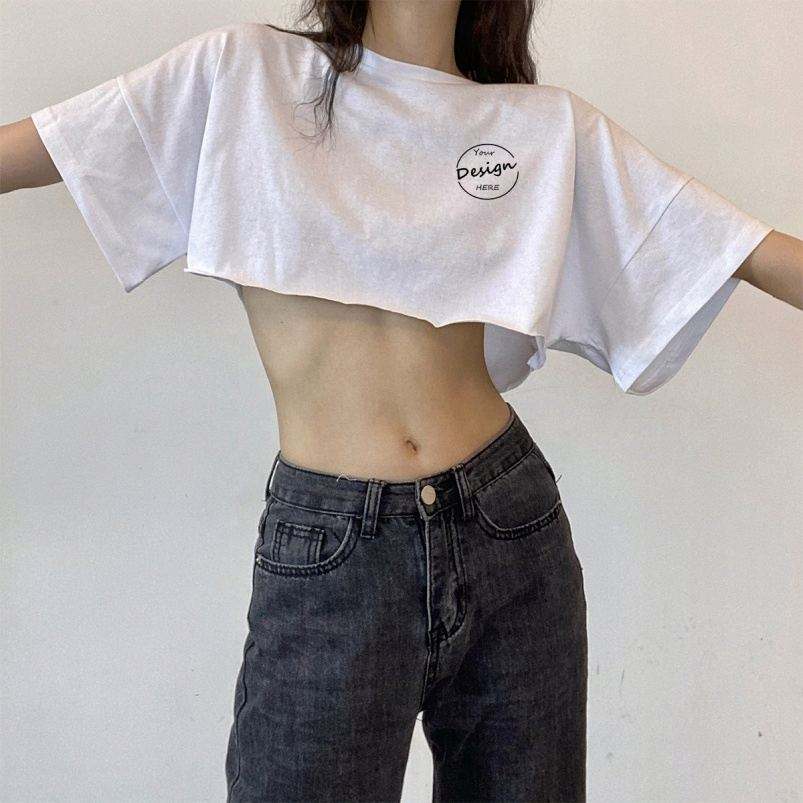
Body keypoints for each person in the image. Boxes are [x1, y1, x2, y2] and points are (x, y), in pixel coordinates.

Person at [2, 1, 800, 801]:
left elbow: (744, 249)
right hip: (332, 548)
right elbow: (52, 144)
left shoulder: (538, 127)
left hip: (509, 525)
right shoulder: (243, 74)